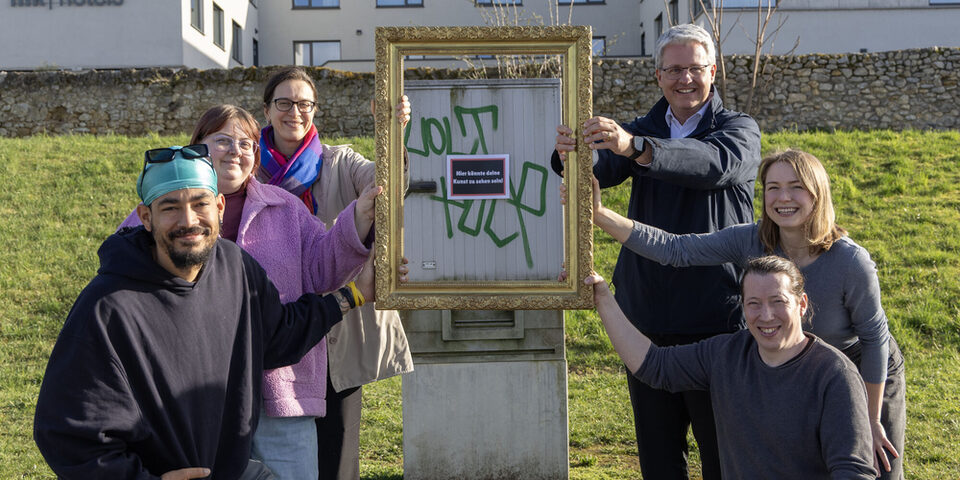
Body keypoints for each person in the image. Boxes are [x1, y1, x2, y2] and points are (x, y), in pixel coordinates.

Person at [33, 146, 374, 479]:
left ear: (219, 206)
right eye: (170, 207)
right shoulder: (107, 307)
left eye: (200, 203)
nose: (188, 221)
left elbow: (276, 339)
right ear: (146, 217)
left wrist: (354, 294)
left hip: (232, 469)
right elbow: (65, 432)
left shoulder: (235, 267)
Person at [588, 148, 906, 479]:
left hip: (865, 369)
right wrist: (600, 215)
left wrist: (871, 418)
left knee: (874, 464)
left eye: (796, 187)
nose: (784, 197)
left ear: (818, 193)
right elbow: (676, 249)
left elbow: (874, 339)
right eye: (773, 187)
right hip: (794, 365)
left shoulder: (850, 261)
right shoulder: (751, 240)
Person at [552, 23, 761, 479]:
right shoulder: (639, 130)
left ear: (713, 72)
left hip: (717, 320)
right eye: (674, 70)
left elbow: (711, 165)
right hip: (646, 319)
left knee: (724, 459)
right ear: (658, 76)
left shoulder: (739, 129)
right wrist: (572, 154)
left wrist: (638, 149)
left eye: (695, 68)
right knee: (659, 459)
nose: (685, 79)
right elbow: (602, 167)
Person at [255, 66, 414, 480]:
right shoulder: (248, 169)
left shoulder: (340, 162)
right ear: (266, 110)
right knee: (272, 453)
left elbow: (387, 186)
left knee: (337, 455)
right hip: (276, 329)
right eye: (284, 103)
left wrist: (392, 132)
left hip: (335, 326)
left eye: (304, 103)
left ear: (315, 110)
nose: (294, 112)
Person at [587, 255, 877, 479]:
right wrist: (603, 298)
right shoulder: (726, 354)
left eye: (778, 301)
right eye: (754, 303)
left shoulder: (834, 375)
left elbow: (853, 472)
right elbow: (654, 366)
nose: (766, 315)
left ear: (801, 304)